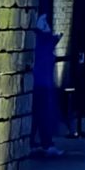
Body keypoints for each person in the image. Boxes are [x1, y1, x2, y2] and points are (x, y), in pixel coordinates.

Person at [32, 11, 59, 152]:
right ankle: (47, 144)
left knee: (38, 115)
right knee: (43, 115)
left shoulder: (40, 43)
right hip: (43, 85)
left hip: (40, 84)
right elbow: (52, 40)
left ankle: (35, 143)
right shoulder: (44, 43)